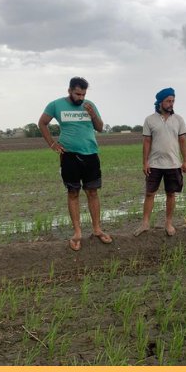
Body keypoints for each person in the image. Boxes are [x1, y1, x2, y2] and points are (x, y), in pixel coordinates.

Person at [39, 77, 112, 250]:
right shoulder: (55, 105)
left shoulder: (89, 105)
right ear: (69, 91)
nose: (80, 98)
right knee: (73, 192)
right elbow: (42, 123)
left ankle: (96, 229)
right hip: (69, 156)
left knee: (92, 192)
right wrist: (52, 143)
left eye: (83, 94)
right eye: (77, 94)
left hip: (91, 154)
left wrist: (92, 114)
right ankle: (77, 233)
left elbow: (100, 127)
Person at [135, 88, 186, 237]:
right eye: (168, 101)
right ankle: (145, 223)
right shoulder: (150, 120)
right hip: (154, 164)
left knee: (171, 194)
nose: (171, 104)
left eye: (173, 101)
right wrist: (145, 162)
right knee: (149, 193)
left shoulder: (178, 119)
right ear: (160, 102)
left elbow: (183, 141)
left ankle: (168, 223)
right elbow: (146, 142)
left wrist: (185, 161)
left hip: (173, 164)